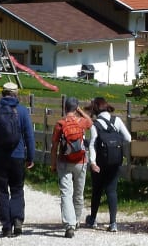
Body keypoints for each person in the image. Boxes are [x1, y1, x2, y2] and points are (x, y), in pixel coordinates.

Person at [0, 82, 36, 237]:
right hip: (18, 157)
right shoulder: (23, 111)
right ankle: (17, 220)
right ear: (16, 94)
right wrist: (31, 157)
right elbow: (29, 136)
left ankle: (6, 226)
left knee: (2, 191)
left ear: (2, 93)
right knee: (17, 189)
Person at [84, 97, 131, 233]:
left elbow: (92, 144)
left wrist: (92, 162)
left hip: (99, 162)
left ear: (96, 109)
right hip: (115, 162)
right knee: (111, 191)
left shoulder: (95, 124)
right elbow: (128, 138)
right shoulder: (117, 120)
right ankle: (113, 223)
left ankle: (93, 219)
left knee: (97, 190)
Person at [50, 96, 92, 238]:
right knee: (78, 194)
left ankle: (70, 225)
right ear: (76, 108)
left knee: (66, 194)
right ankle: (77, 220)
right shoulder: (81, 122)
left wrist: (53, 164)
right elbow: (91, 122)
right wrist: (80, 111)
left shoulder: (60, 124)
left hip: (64, 161)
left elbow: (54, 146)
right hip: (81, 162)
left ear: (64, 107)